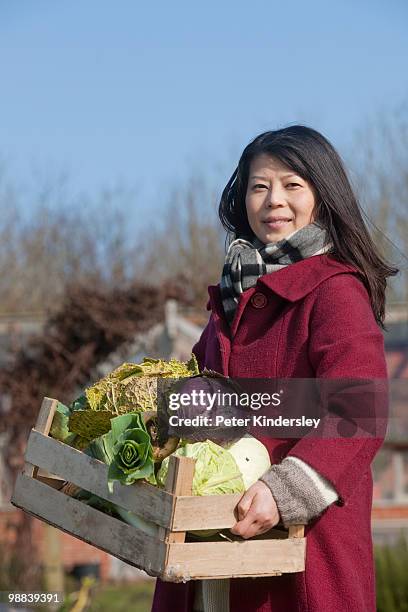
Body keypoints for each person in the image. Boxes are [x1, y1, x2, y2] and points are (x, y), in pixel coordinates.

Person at [151, 125, 397, 612]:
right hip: (209, 545)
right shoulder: (231, 295)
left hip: (304, 546)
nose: (273, 201)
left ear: (321, 197)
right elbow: (198, 395)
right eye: (259, 187)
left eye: (292, 185)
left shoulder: (335, 292)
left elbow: (359, 410)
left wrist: (285, 491)